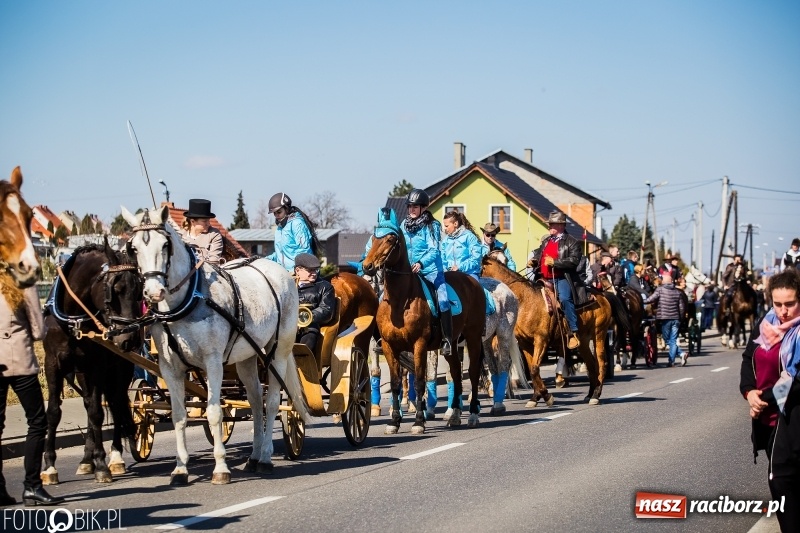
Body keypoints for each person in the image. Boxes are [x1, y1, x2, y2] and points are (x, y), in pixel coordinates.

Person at [739, 269, 800, 532]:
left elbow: (797, 381)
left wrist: (761, 399)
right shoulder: (767, 324)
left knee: (781, 480)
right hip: (768, 415)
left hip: (793, 414)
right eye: (777, 304)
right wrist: (749, 391)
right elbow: (748, 358)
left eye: (790, 304)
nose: (783, 311)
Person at [1, 283, 64, 506]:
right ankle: (32, 486)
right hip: (19, 362)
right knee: (37, 422)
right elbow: (39, 330)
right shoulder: (21, 283)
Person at [402, 189, 453, 357]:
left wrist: (421, 263)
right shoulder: (403, 225)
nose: (411, 210)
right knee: (383, 297)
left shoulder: (433, 225)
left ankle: (447, 340)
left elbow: (434, 251)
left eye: (415, 206)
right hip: (408, 273)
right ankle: (384, 337)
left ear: (423, 207)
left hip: (431, 271)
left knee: (444, 301)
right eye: (409, 206)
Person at [528, 211, 582, 350]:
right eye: (549, 224)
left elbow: (574, 261)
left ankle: (572, 332)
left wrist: (556, 262)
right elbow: (540, 254)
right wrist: (534, 261)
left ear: (561, 225)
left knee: (564, 299)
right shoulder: (547, 240)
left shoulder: (572, 242)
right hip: (543, 278)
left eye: (551, 224)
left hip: (561, 278)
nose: (549, 227)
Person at [294, 253, 335, 355]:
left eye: (315, 270)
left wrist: (303, 319)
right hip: (287, 325)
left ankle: (305, 369)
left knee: (306, 344)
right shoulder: (287, 284)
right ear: (298, 270)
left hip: (309, 327)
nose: (314, 273)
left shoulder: (325, 287)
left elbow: (326, 310)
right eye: (310, 270)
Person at [266, 192, 320, 271]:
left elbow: (304, 250)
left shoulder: (297, 223)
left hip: (301, 272)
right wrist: (264, 259)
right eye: (274, 213)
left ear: (286, 209)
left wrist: (295, 270)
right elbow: (280, 254)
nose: (276, 215)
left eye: (279, 212)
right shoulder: (279, 229)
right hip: (284, 273)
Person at [644, 273, 687, 367]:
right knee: (673, 340)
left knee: (667, 339)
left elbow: (651, 299)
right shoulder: (677, 292)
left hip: (665, 318)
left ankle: (676, 357)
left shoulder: (660, 289)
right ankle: (679, 356)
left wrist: (642, 301)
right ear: (671, 281)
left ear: (663, 281)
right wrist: (681, 318)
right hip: (676, 319)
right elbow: (682, 307)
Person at [180, 199, 223, 266]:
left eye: (208, 221)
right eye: (204, 221)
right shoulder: (180, 236)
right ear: (192, 221)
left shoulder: (214, 235)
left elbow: (214, 261)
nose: (208, 224)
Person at [441, 211, 482, 280]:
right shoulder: (445, 240)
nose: (445, 228)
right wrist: (445, 270)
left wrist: (460, 267)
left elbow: (476, 258)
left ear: (455, 224)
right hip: (449, 274)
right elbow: (442, 259)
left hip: (469, 273)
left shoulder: (469, 237)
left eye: (447, 226)